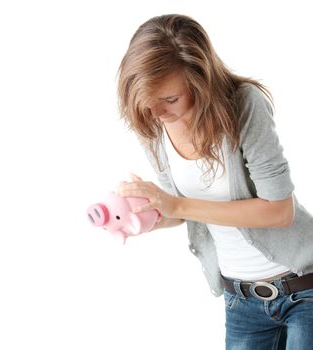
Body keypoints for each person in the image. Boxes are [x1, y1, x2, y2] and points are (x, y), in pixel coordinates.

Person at [115, 14, 313, 349]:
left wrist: (177, 204)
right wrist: (147, 216)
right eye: (149, 103)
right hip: (241, 299)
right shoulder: (153, 126)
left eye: (171, 99)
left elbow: (279, 211)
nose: (159, 112)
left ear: (200, 78)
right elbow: (185, 212)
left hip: (303, 287)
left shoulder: (244, 104)